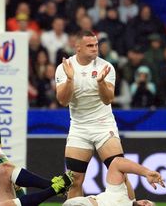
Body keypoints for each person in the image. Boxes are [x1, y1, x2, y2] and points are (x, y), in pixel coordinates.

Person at [55, 30, 132, 199]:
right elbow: (63, 100)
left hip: (103, 125)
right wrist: (69, 80)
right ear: (78, 48)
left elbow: (108, 99)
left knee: (121, 174)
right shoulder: (64, 68)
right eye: (90, 45)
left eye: (96, 45)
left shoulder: (106, 67)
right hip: (79, 128)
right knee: (74, 181)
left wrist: (101, 83)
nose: (95, 48)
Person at [63, 157, 164, 206]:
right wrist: (146, 172)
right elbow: (117, 163)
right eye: (146, 202)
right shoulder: (127, 196)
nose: (145, 205)